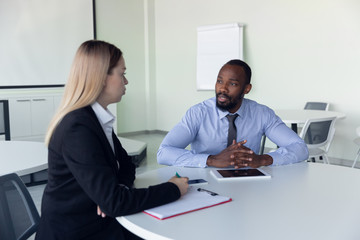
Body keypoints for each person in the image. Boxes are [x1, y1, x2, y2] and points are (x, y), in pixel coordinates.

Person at [35, 40, 188, 240]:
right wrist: (173, 188)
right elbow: (115, 203)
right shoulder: (78, 128)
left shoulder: (95, 119)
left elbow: (127, 166)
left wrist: (115, 191)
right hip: (75, 231)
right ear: (101, 78)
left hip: (98, 221)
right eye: (122, 73)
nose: (126, 81)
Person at [157, 59, 309, 169]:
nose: (222, 89)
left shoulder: (262, 114)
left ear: (246, 89)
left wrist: (263, 159)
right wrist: (211, 160)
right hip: (204, 180)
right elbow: (164, 152)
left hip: (248, 183)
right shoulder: (198, 113)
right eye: (219, 81)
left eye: (232, 84)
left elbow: (300, 148)